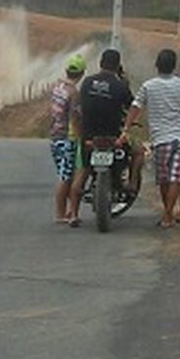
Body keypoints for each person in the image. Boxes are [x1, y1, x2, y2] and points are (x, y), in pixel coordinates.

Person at [122, 49, 180, 228]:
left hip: (161, 139)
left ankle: (167, 214)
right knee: (176, 177)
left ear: (156, 66)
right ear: (174, 66)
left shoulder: (148, 86)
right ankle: (168, 214)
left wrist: (126, 127)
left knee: (163, 179)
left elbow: (135, 107)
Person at [67, 48, 134, 228]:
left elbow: (77, 108)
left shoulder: (87, 83)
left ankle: (73, 214)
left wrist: (81, 134)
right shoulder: (121, 86)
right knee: (137, 153)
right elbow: (132, 106)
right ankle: (128, 183)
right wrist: (126, 129)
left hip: (90, 138)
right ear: (117, 65)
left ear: (100, 63)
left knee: (82, 173)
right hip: (113, 138)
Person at [49, 55, 86, 224]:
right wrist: (80, 137)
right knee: (66, 176)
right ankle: (60, 213)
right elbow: (75, 118)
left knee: (64, 173)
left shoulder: (57, 87)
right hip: (67, 137)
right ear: (82, 73)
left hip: (54, 136)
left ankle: (68, 211)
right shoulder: (74, 93)